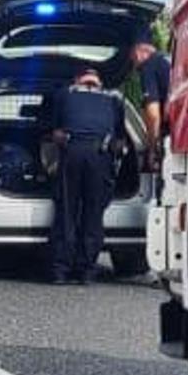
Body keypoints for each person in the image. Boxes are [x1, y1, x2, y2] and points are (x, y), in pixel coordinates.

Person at [48, 67, 125, 285]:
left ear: (77, 79)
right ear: (99, 82)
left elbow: (55, 130)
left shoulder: (65, 94)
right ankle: (87, 271)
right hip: (100, 156)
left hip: (72, 152)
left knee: (67, 211)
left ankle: (61, 270)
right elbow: (119, 138)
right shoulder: (114, 98)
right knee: (93, 213)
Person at [133, 39, 172, 164]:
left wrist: (152, 148)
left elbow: (153, 114)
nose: (133, 64)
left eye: (133, 58)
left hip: (169, 132)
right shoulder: (167, 60)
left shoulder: (148, 66)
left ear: (139, 53)